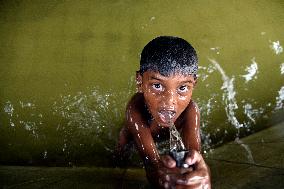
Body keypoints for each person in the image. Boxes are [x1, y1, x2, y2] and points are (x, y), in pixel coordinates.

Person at [115, 36, 211, 189]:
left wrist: (197, 175)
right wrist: (162, 177)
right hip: (135, 135)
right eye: (157, 86)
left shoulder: (190, 111)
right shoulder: (135, 109)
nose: (169, 102)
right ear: (140, 82)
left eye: (182, 88)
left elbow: (195, 156)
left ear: (194, 85)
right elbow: (151, 164)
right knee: (120, 155)